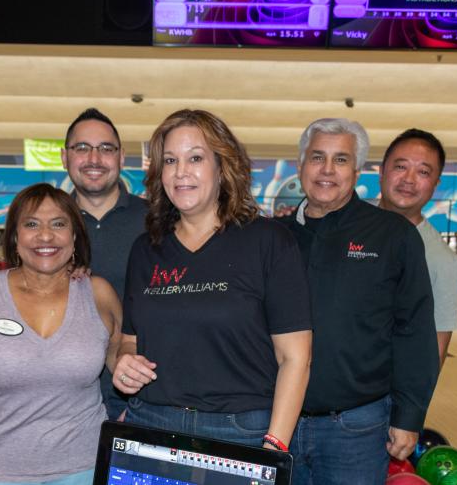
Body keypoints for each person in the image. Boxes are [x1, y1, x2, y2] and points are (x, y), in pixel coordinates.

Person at [113, 109, 312, 450]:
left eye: (196, 158)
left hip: (241, 430)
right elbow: (130, 340)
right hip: (153, 422)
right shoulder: (146, 248)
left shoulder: (268, 241)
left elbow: (295, 358)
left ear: (222, 168)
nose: (181, 172)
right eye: (171, 160)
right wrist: (125, 362)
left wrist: (274, 445)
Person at [279, 118, 439, 485]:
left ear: (357, 170)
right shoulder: (275, 235)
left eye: (341, 160)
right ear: (301, 164)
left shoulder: (393, 235)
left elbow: (414, 330)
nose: (327, 170)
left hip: (356, 428)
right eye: (317, 157)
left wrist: (408, 417)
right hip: (276, 421)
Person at [0, 183, 121, 485]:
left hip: (87, 469)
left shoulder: (99, 294)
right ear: (14, 236)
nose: (46, 236)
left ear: (74, 237)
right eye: (32, 224)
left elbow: (126, 364)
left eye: (59, 224)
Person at [61, 107, 148, 419]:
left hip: (143, 400)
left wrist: (141, 407)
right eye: (82, 148)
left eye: (106, 149)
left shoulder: (157, 221)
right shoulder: (46, 229)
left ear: (121, 157)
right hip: (62, 402)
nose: (94, 159)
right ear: (64, 157)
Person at [379, 128, 457, 367]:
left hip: (379, 399)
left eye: (423, 171)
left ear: (436, 184)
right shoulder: (347, 226)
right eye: (400, 166)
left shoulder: (443, 262)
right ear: (381, 171)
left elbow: (434, 351)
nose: (409, 179)